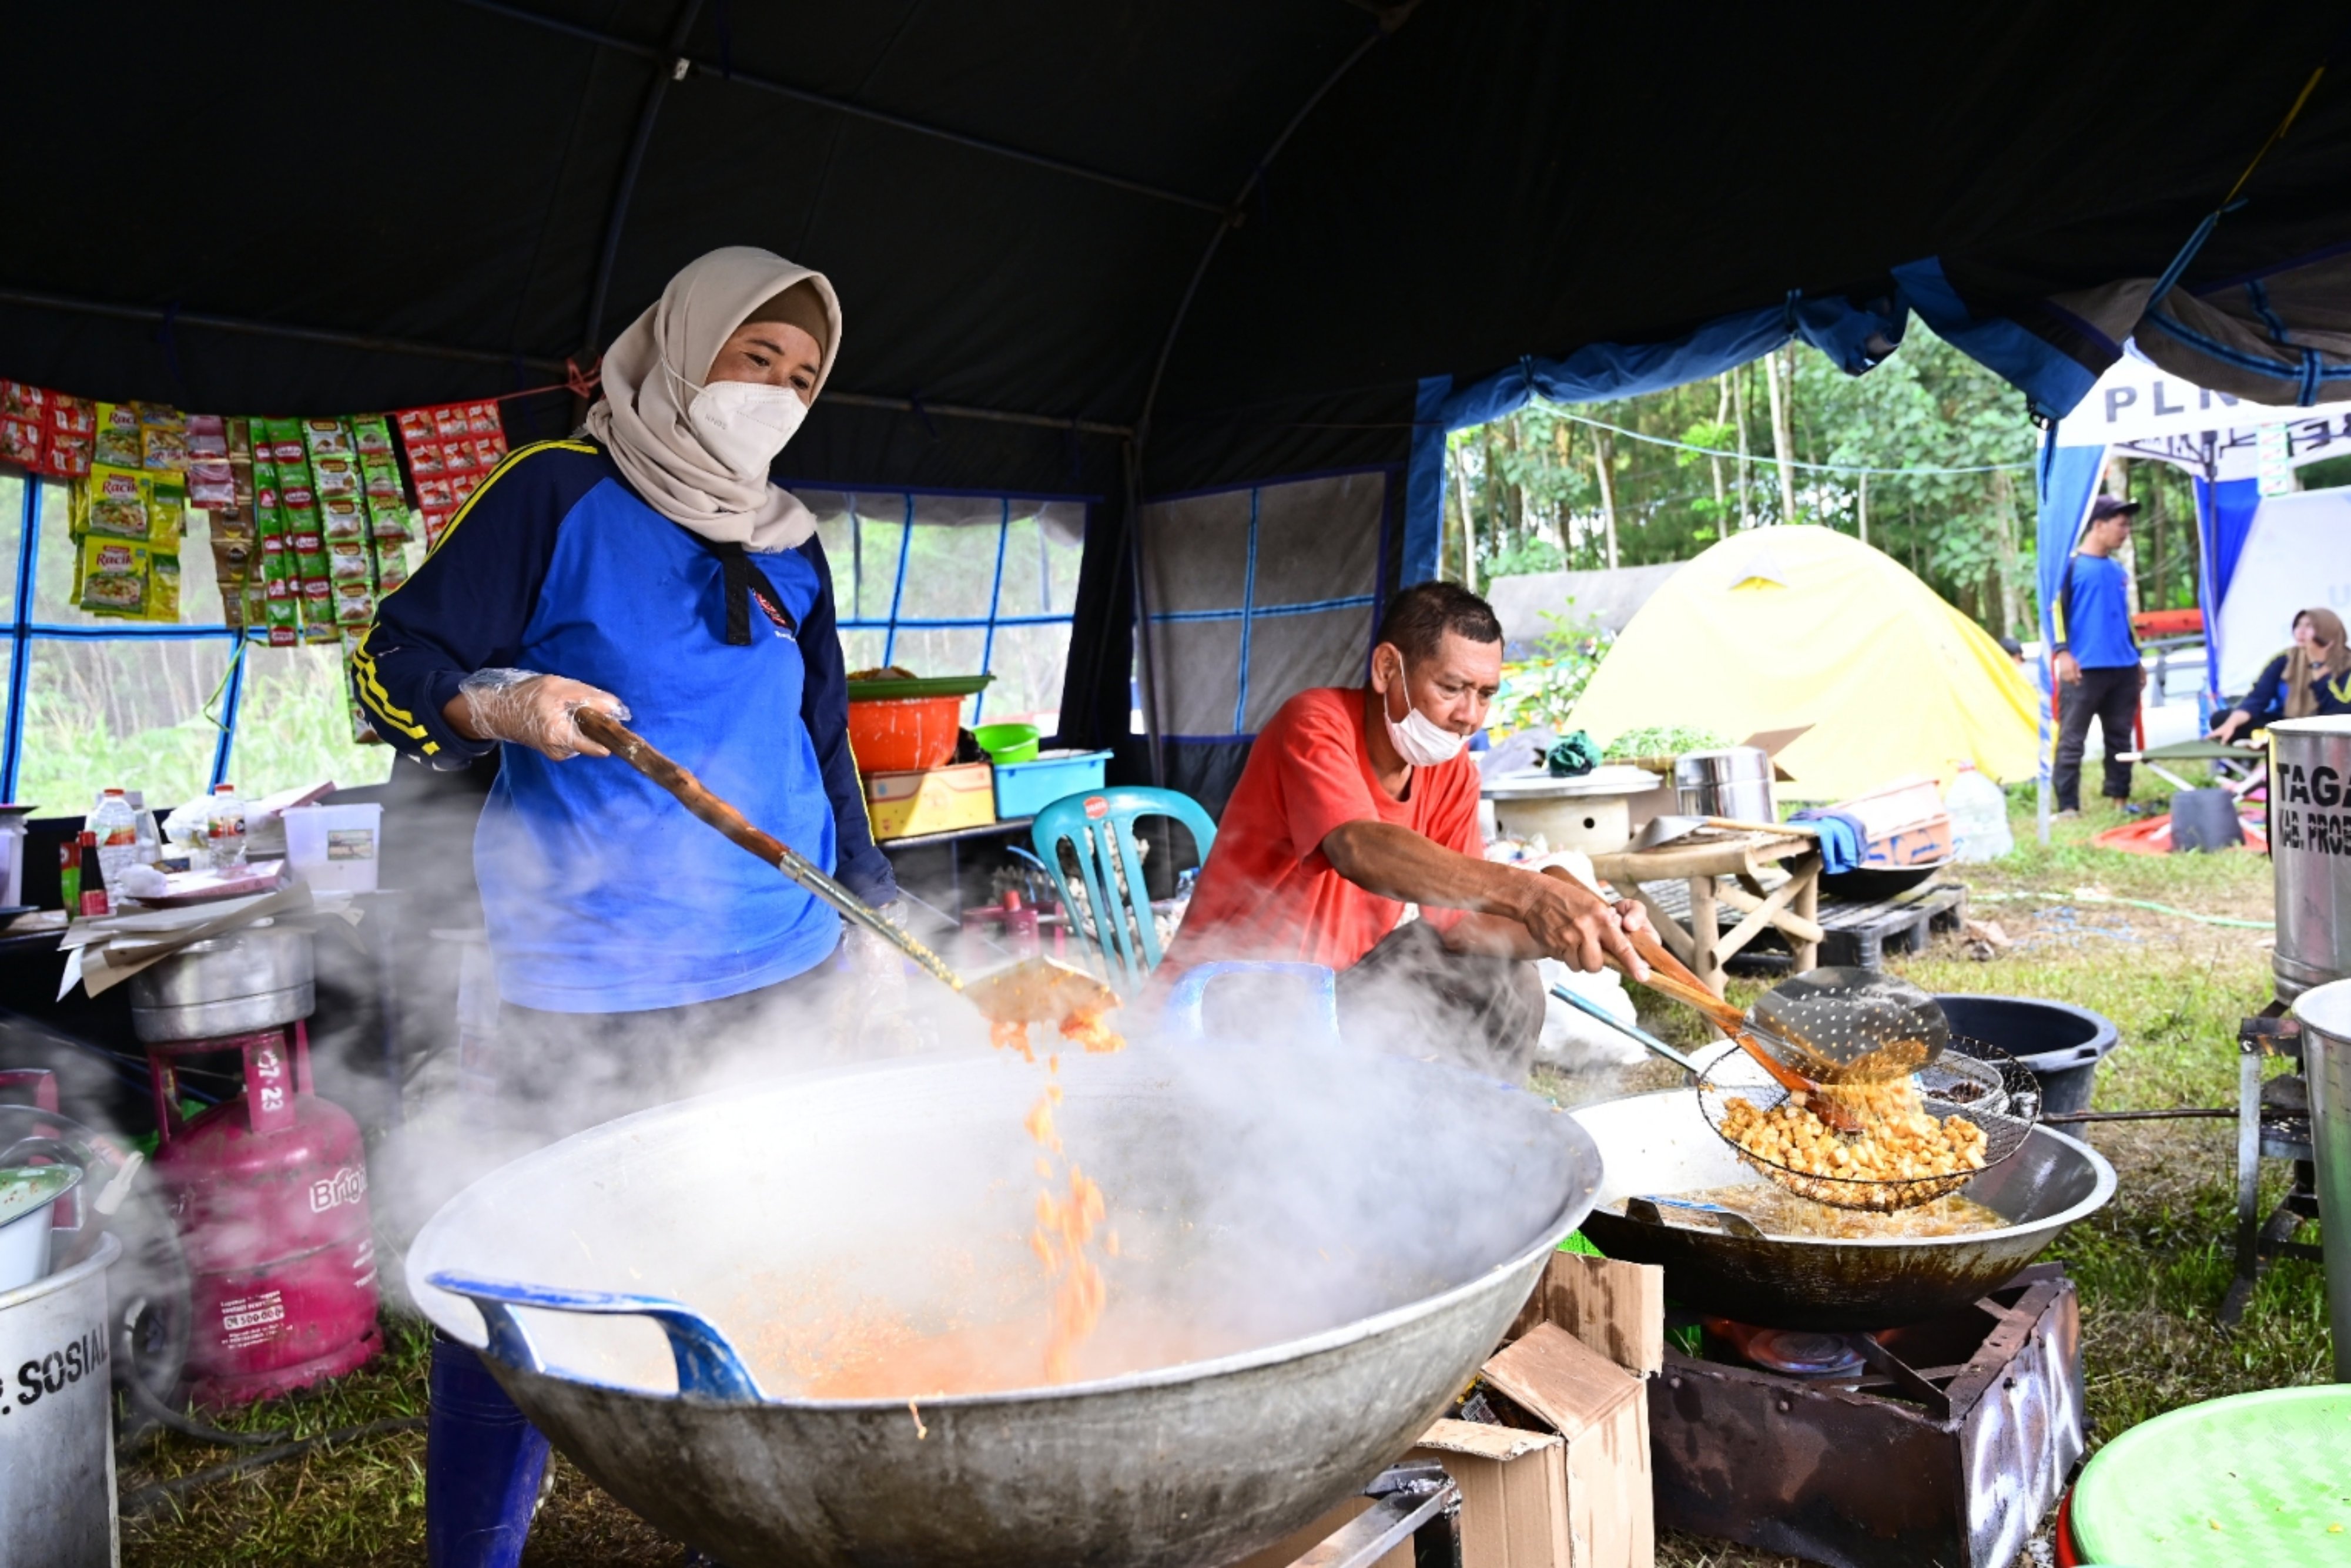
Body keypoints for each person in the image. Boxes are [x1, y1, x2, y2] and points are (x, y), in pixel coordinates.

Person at [358, 245, 901, 1118]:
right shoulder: (555, 489)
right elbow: (389, 662)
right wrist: (498, 707)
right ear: (686, 347)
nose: (778, 395)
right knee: (613, 1204)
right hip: (601, 979)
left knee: (786, 1196)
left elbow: (820, 734)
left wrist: (875, 908)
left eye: (802, 380)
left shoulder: (789, 540)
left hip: (790, 951)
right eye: (757, 358)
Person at [1161, 581, 1650, 1082]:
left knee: (1507, 979)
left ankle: (1485, 1125)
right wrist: (1531, 893)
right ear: (1387, 669)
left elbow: (1460, 925)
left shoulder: (1452, 773)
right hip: (1228, 1000)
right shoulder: (1314, 723)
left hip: (1335, 991)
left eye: (1485, 695)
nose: (1469, 717)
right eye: (1451, 688)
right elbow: (1357, 846)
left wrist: (1584, 926)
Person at [2049, 495, 2145, 815]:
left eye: (2128, 526)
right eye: (2121, 525)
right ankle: (2068, 806)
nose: (2126, 532)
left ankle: (2120, 800)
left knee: (2120, 737)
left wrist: (2137, 658)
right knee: (2072, 738)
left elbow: (2124, 617)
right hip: (2084, 667)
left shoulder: (2117, 570)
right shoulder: (2070, 567)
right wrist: (2062, 652)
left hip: (2123, 667)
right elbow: (2055, 613)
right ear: (2099, 526)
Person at [2209, 607, 2351, 741]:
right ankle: (2286, 739)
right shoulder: (2285, 659)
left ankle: (2290, 740)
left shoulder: (2346, 664)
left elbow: (2340, 712)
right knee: (2221, 719)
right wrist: (2231, 724)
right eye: (2298, 625)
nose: (2301, 631)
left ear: (2328, 631)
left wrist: (2318, 667)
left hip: (2327, 727)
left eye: (2309, 626)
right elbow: (2258, 698)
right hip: (2290, 725)